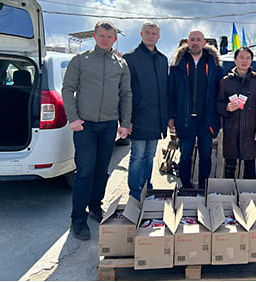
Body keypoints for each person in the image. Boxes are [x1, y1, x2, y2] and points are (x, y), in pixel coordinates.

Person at [62, 20, 132, 240]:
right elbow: (68, 89)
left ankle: (95, 207)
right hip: (85, 125)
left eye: (109, 37)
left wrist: (125, 122)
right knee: (84, 172)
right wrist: (73, 119)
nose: (105, 39)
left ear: (114, 39)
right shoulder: (80, 60)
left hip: (109, 125)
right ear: (95, 36)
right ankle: (78, 219)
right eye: (101, 35)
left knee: (102, 170)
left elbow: (126, 94)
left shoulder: (120, 65)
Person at [168, 30, 223, 189]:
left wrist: (219, 116)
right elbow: (171, 92)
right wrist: (170, 115)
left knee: (205, 155)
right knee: (185, 155)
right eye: (192, 39)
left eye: (198, 39)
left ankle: (203, 187)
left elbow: (220, 92)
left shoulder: (213, 65)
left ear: (204, 42)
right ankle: (185, 186)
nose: (195, 42)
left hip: (207, 119)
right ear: (188, 42)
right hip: (185, 119)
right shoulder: (178, 65)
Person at [123, 22, 168, 201]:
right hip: (138, 117)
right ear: (141, 34)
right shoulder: (130, 58)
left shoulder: (163, 59)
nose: (151, 35)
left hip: (157, 119)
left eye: (154, 33)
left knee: (150, 156)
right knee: (137, 156)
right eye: (148, 33)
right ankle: (134, 192)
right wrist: (127, 119)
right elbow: (125, 91)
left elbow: (165, 91)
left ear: (158, 36)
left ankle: (146, 186)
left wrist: (167, 118)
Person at [216, 47, 256, 179]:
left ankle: (248, 196)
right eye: (241, 57)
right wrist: (226, 107)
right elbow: (217, 104)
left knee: (250, 165)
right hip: (231, 129)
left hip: (250, 130)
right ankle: (228, 196)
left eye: (248, 58)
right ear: (235, 60)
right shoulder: (226, 81)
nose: (244, 61)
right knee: (230, 166)